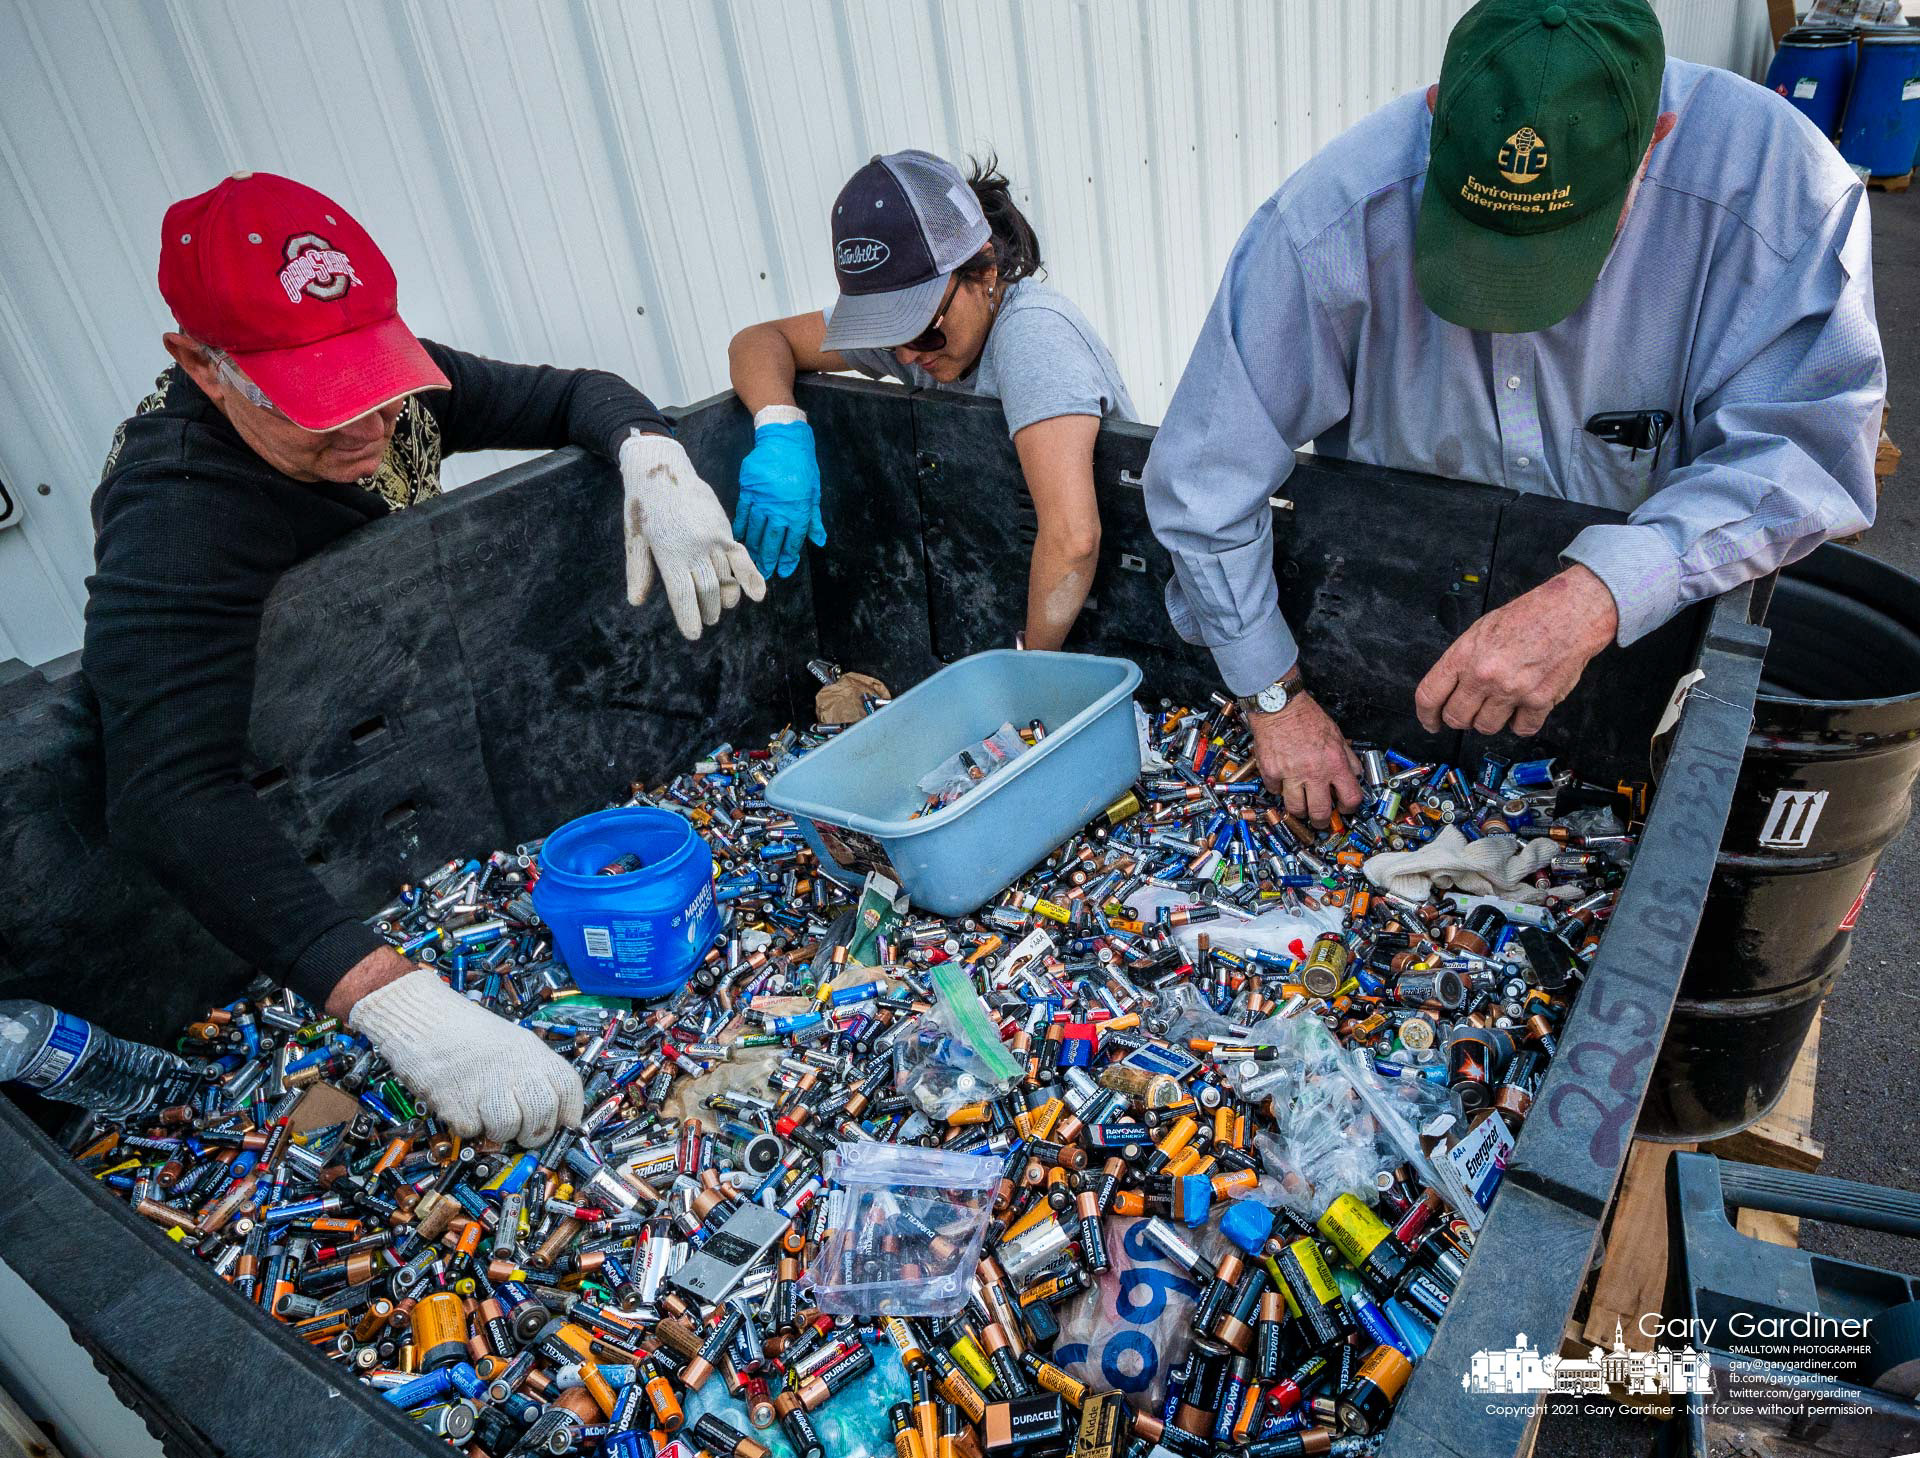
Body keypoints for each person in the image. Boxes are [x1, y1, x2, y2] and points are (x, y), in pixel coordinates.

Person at [85, 172, 764, 1146]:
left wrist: (652, 459)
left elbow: (573, 394)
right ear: (202, 365)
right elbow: (166, 792)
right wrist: (394, 1000)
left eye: (379, 385)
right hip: (296, 828)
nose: (373, 427)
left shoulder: (383, 388)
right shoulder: (174, 518)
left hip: (422, 752)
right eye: (324, 404)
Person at [1143, 0, 1883, 826]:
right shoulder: (1335, 214)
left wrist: (1603, 591)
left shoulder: (1782, 194)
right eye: (1483, 242)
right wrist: (1274, 698)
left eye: (1559, 245)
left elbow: (1807, 444)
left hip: (1649, 638)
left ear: (1657, 140)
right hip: (1397, 620)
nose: (1514, 301)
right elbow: (1206, 475)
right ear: (1436, 113)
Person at [728, 151, 1136, 651]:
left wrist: (1030, 670)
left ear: (984, 271)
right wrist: (780, 428)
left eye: (918, 328)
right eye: (885, 327)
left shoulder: (1033, 338)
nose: (900, 352)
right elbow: (759, 341)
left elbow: (1073, 540)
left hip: (1100, 623)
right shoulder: (920, 335)